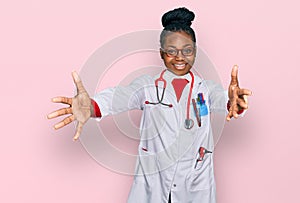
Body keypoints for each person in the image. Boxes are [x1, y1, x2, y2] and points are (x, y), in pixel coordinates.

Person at [47, 7, 252, 203]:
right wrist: (89, 107)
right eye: (171, 51)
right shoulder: (147, 86)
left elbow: (223, 98)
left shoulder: (205, 89)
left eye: (187, 50)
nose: (180, 57)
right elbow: (116, 98)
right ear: (161, 53)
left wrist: (235, 102)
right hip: (153, 186)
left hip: (195, 187)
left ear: (195, 51)